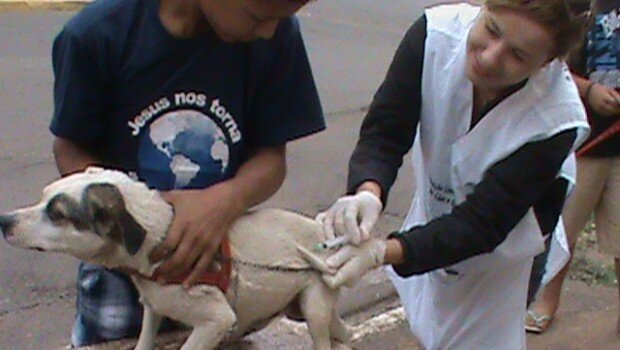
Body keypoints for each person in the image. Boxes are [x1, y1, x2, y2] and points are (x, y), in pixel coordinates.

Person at [317, 1, 590, 349]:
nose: (490, 57)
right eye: (491, 29)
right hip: (438, 210)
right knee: (428, 322)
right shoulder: (434, 36)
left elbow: (481, 226)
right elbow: (386, 131)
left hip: (506, 252)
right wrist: (367, 192)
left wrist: (383, 252)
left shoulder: (555, 120)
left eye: (518, 56)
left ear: (548, 62)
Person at [49, 0, 324, 346]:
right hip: (124, 275)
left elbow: (271, 158)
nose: (270, 30)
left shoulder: (276, 31)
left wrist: (225, 201)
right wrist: (123, 231)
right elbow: (71, 148)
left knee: (219, 333)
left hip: (221, 261)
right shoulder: (95, 36)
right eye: (258, 17)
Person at [526, 0, 620, 335]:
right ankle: (546, 300)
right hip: (582, 139)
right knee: (564, 228)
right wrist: (590, 90)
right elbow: (548, 64)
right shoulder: (581, 6)